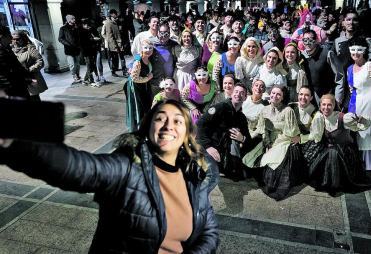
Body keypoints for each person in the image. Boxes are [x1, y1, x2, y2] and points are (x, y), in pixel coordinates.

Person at [0, 100, 219, 253]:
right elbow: (79, 167)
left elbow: (209, 232)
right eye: (160, 118)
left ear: (187, 134)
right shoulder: (126, 167)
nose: (168, 125)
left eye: (178, 121)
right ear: (147, 128)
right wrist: (14, 144)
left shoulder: (194, 174)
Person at [246, 85, 302, 200]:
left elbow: (290, 133)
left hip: (284, 141)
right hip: (269, 141)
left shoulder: (288, 111)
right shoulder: (264, 110)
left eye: (278, 94)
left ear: (282, 97)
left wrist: (275, 146)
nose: (274, 96)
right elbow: (263, 130)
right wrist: (267, 143)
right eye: (273, 93)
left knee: (280, 160)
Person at [308, 94, 371, 193]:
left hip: (345, 152)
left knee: (333, 152)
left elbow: (362, 125)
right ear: (320, 105)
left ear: (334, 105)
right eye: (323, 105)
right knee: (330, 152)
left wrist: (362, 119)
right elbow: (315, 136)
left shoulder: (343, 118)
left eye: (329, 105)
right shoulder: (320, 118)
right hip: (329, 152)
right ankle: (328, 181)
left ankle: (336, 183)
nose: (326, 108)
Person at [197, 83, 252, 186]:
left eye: (242, 93)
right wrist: (208, 147)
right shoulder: (220, 107)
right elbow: (200, 124)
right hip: (211, 149)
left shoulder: (241, 117)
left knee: (242, 175)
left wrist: (242, 138)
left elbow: (248, 139)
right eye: (236, 91)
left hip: (225, 152)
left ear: (245, 98)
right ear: (232, 94)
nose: (238, 95)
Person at [348, 37, 371, 172]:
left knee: (369, 135)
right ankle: (360, 163)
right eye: (353, 50)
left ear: (364, 51)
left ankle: (370, 164)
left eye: (359, 50)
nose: (356, 53)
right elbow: (352, 90)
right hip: (357, 104)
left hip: (370, 103)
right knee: (360, 135)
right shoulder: (350, 68)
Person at [302, 29, 343, 104]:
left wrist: (338, 97)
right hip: (309, 98)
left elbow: (339, 76)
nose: (308, 43)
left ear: (316, 40)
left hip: (326, 96)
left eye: (310, 40)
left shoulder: (327, 54)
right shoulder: (302, 56)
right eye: (305, 40)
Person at [289, 86, 324, 166]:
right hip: (292, 139)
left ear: (311, 98)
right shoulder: (291, 106)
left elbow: (317, 137)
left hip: (308, 143)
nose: (303, 97)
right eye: (301, 94)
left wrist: (300, 138)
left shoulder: (316, 115)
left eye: (307, 95)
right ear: (298, 95)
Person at [124, 40, 154, 132]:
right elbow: (134, 78)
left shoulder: (148, 57)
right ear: (141, 49)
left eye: (150, 48)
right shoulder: (138, 60)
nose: (148, 50)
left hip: (142, 85)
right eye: (145, 48)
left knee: (145, 106)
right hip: (135, 86)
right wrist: (147, 78)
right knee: (138, 107)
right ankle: (138, 129)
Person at [11, 30, 47, 101]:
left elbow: (40, 62)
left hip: (30, 77)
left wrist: (29, 70)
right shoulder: (10, 49)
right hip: (18, 80)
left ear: (23, 38)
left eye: (17, 39)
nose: (15, 41)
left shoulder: (30, 48)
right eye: (13, 39)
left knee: (34, 99)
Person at [148, 23, 178, 99]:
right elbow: (141, 55)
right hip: (155, 80)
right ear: (157, 32)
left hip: (169, 82)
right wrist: (133, 64)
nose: (164, 36)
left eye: (166, 33)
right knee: (156, 103)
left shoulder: (174, 44)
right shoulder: (151, 43)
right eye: (161, 33)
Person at [102, 10, 126, 77]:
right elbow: (109, 35)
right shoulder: (108, 23)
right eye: (115, 14)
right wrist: (114, 46)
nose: (116, 15)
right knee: (113, 58)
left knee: (122, 58)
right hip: (113, 44)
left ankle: (124, 71)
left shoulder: (117, 22)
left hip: (120, 43)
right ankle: (113, 71)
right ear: (112, 14)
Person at [58, 14, 82, 82]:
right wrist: (68, 44)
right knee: (72, 64)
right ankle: (74, 75)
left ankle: (77, 75)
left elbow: (79, 37)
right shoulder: (63, 28)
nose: (74, 20)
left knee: (77, 64)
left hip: (77, 48)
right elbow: (60, 38)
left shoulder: (76, 27)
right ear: (69, 20)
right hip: (69, 49)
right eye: (72, 19)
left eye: (74, 19)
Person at [78, 19, 101, 87]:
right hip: (86, 51)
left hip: (90, 50)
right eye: (86, 25)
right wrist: (93, 39)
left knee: (91, 65)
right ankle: (91, 80)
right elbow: (84, 42)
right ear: (83, 25)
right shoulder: (81, 32)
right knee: (89, 66)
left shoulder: (87, 31)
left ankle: (85, 79)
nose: (87, 26)